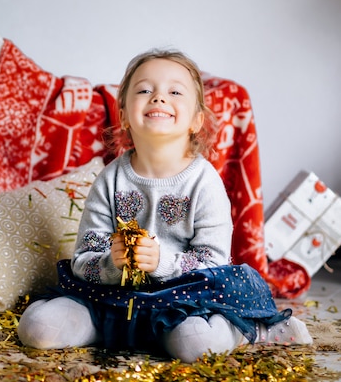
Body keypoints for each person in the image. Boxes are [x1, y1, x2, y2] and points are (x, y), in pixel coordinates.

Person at [17, 48, 312, 362]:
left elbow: (214, 265)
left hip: (185, 304)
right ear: (124, 115)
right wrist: (111, 263)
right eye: (144, 90)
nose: (158, 97)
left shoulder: (204, 182)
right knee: (37, 329)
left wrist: (160, 262)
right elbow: (83, 260)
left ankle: (252, 329)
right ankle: (115, 331)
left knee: (195, 346)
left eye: (174, 91)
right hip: (111, 300)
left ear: (196, 120)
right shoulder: (110, 179)